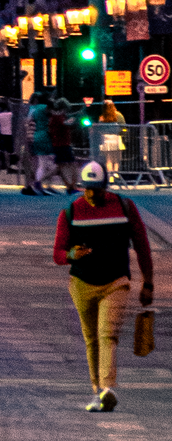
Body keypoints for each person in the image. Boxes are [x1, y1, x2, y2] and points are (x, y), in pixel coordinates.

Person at [54, 158, 155, 411]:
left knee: (107, 335)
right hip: (82, 284)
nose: (91, 194)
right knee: (91, 339)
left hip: (115, 282)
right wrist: (71, 255)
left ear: (106, 186)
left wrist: (148, 283)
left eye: (96, 189)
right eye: (87, 188)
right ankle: (98, 392)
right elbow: (57, 253)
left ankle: (108, 387)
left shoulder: (124, 207)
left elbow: (142, 246)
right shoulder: (72, 211)